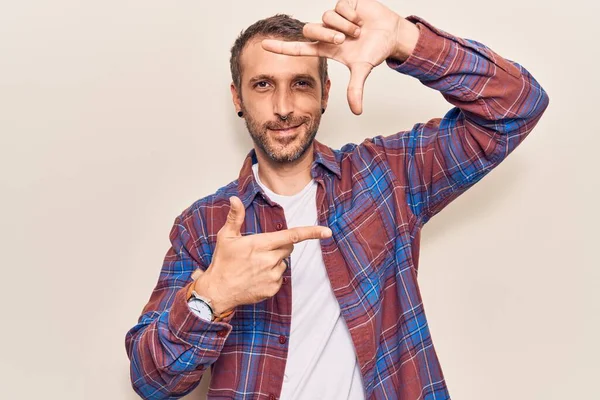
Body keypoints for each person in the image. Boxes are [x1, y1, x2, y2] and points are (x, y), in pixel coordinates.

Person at [125, 0, 549, 399]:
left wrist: (406, 39)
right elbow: (152, 382)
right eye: (263, 84)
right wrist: (210, 297)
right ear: (238, 98)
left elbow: (517, 107)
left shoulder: (385, 176)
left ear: (325, 93)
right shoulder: (203, 224)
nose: (283, 107)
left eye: (301, 84)